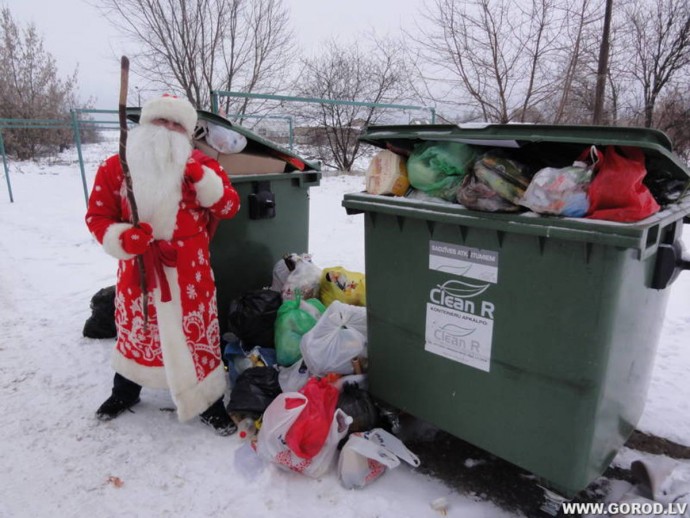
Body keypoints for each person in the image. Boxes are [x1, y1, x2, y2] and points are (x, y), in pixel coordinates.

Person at [85, 94, 241, 435]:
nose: (167, 129)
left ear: (186, 133)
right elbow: (97, 216)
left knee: (197, 336)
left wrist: (202, 179)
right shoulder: (116, 167)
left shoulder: (203, 166)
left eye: (176, 124)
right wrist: (123, 238)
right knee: (137, 333)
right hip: (139, 270)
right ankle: (124, 391)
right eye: (160, 121)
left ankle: (208, 402)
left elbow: (229, 207)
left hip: (190, 272)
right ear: (145, 125)